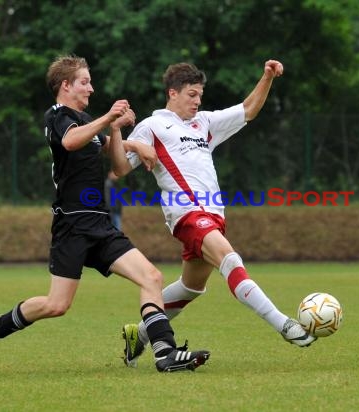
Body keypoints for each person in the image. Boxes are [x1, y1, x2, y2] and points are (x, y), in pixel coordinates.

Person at [0, 55, 209, 372]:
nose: (91, 88)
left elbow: (113, 157)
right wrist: (109, 117)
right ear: (65, 85)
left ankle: (165, 353)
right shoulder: (59, 117)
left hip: (100, 224)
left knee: (151, 277)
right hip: (72, 225)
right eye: (84, 81)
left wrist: (127, 138)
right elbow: (70, 141)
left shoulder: (87, 122)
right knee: (56, 305)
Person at [119, 60, 315, 368]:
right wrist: (129, 140)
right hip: (186, 213)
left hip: (212, 214)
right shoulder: (152, 126)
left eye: (200, 95)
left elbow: (248, 110)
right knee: (230, 259)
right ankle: (284, 325)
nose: (198, 101)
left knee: (192, 287)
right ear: (173, 93)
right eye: (192, 95)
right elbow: (119, 167)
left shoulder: (205, 123)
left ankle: (139, 334)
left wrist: (266, 77)